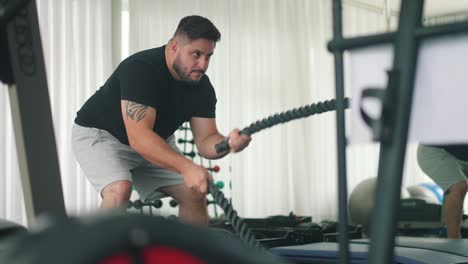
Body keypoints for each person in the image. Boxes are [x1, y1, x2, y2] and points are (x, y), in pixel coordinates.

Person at [71, 15, 251, 225]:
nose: (202, 65)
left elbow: (206, 141)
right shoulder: (140, 69)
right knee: (118, 191)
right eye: (196, 54)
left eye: (208, 56)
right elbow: (139, 138)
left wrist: (227, 144)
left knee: (194, 192)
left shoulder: (201, 86)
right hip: (102, 136)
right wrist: (186, 167)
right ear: (174, 46)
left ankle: (189, 258)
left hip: (155, 140)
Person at [417, 144, 468, 238]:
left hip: (462, 155)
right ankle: (453, 240)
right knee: (458, 186)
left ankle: (447, 230)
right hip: (434, 150)